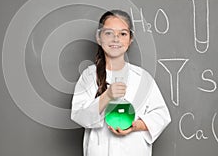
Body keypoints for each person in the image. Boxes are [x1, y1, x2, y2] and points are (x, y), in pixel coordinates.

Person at [71, 9, 171, 156]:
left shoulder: (142, 77)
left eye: (123, 34)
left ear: (130, 39)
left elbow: (161, 115)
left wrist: (134, 126)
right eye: (109, 33)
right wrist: (107, 96)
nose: (115, 39)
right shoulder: (89, 76)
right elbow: (79, 115)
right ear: (99, 38)